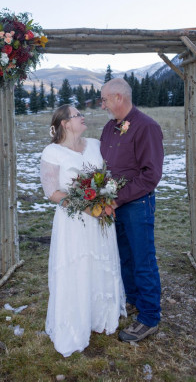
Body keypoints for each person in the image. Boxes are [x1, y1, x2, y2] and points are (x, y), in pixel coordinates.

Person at [40, 104, 126, 357]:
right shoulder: (52, 152)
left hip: (100, 218)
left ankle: (101, 317)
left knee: (101, 264)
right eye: (78, 115)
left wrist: (105, 199)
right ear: (65, 124)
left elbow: (106, 176)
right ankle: (75, 323)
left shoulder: (95, 144)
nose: (83, 117)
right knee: (77, 267)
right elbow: (52, 192)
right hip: (74, 222)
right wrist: (85, 206)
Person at [100, 78, 164, 343]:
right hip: (114, 204)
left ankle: (149, 317)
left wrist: (117, 199)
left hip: (137, 204)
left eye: (104, 100)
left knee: (143, 259)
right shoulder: (109, 128)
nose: (102, 105)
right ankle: (135, 302)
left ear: (118, 98)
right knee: (124, 257)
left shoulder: (147, 127)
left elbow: (151, 176)